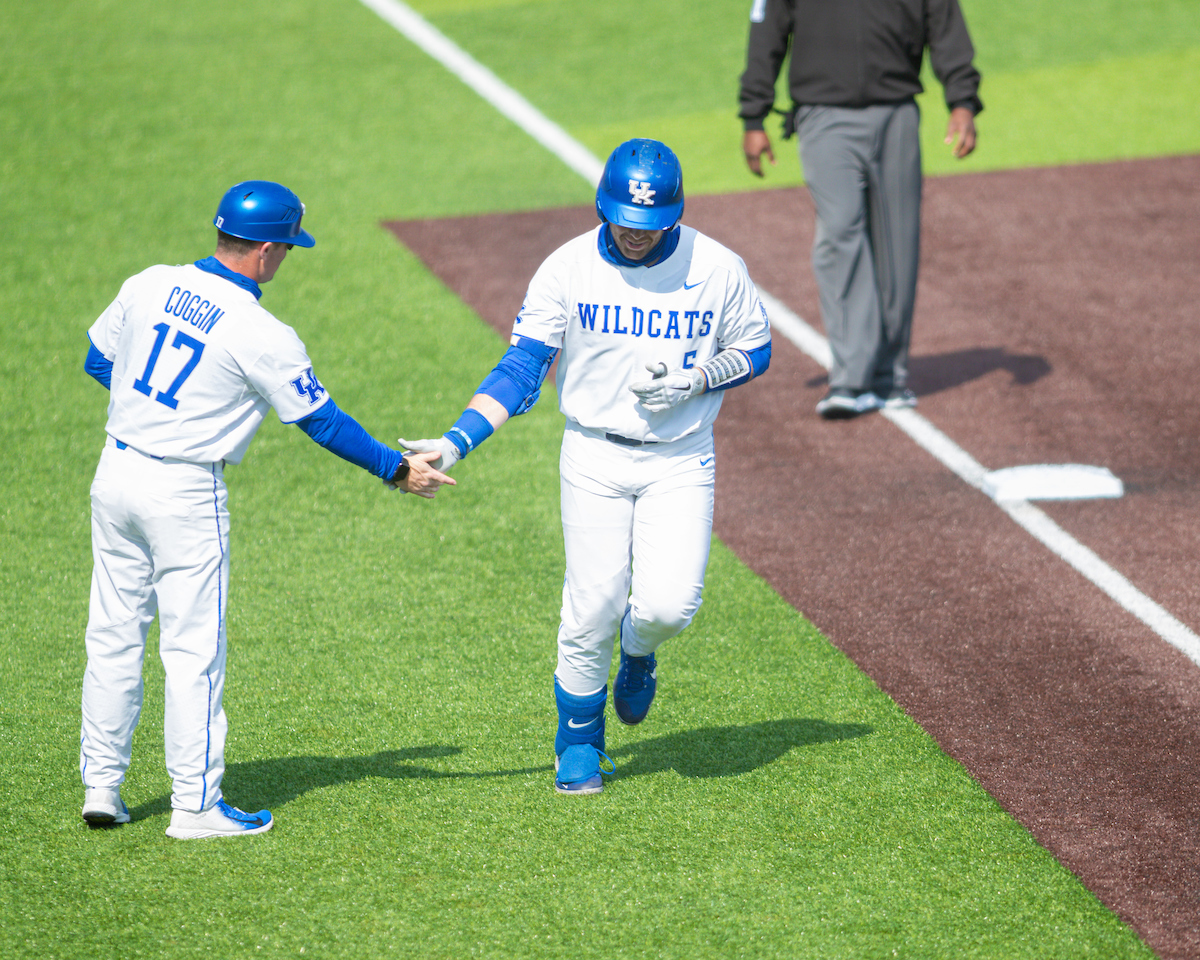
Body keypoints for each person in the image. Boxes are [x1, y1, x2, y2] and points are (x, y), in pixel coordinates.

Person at [79, 181, 454, 838]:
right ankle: (194, 807)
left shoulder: (149, 282)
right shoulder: (260, 330)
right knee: (193, 650)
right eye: (286, 248)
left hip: (116, 472)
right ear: (267, 250)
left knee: (113, 635)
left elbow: (97, 360)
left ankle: (102, 787)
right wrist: (398, 470)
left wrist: (162, 412)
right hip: (185, 493)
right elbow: (323, 422)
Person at [401, 140, 772, 795]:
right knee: (591, 606)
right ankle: (578, 743)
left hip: (681, 459)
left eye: (649, 227)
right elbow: (523, 370)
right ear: (604, 208)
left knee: (668, 607)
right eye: (624, 222)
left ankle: (638, 654)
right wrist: (455, 443)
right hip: (595, 455)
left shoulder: (716, 267)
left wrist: (702, 377)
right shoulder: (566, 268)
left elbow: (756, 348)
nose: (634, 236)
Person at [739, 0, 982, 419]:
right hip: (822, 115)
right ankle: (850, 378)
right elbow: (767, 33)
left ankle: (889, 377)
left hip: (897, 112)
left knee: (898, 244)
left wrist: (962, 102)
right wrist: (753, 116)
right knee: (839, 233)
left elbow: (945, 27)